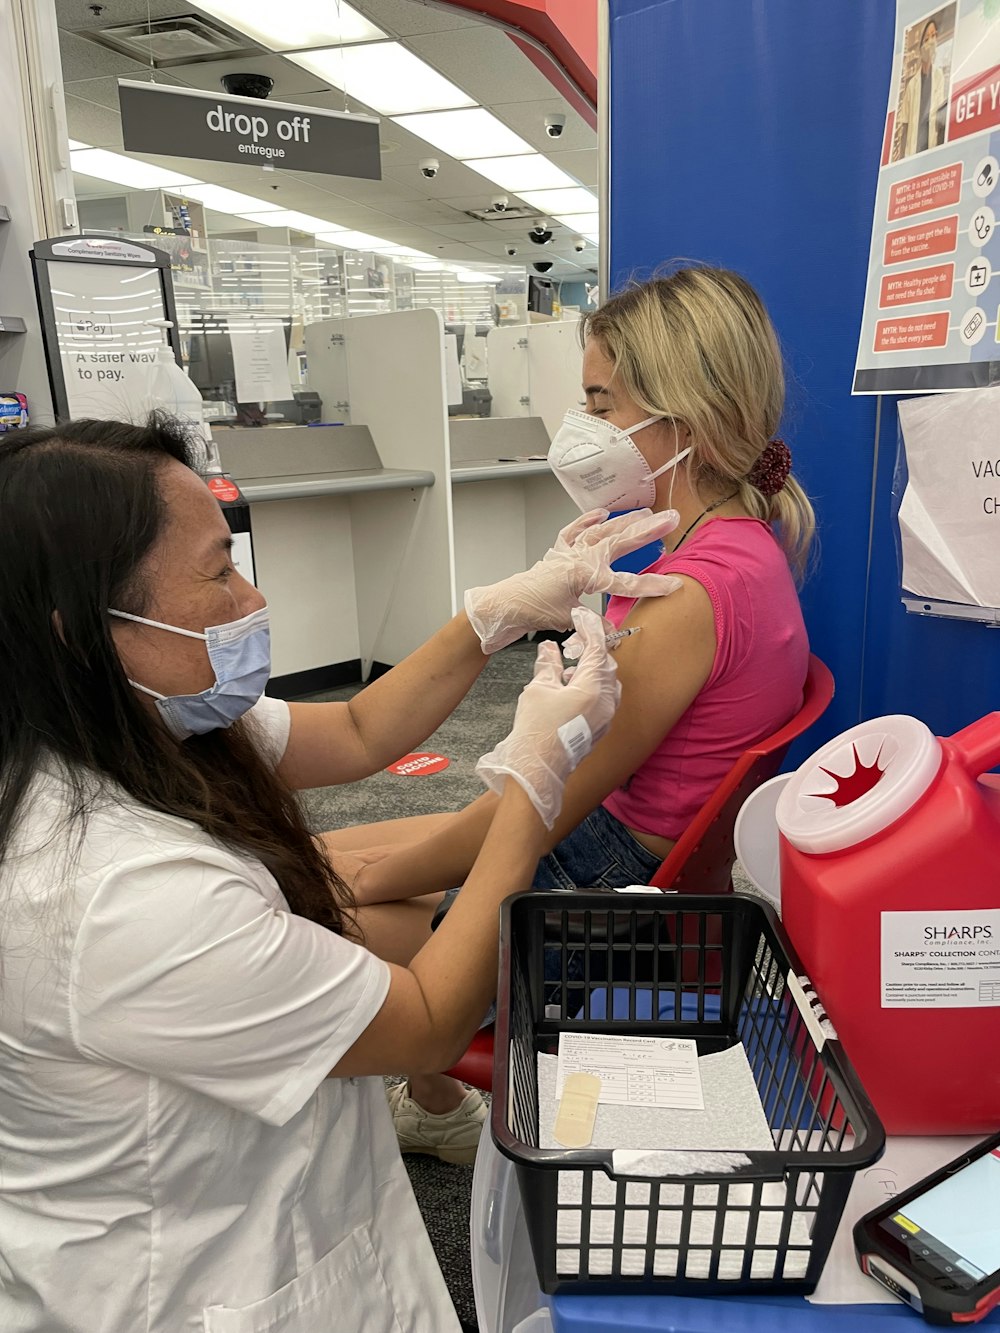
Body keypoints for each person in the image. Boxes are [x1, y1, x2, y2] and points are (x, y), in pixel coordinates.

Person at [0, 416, 678, 1332]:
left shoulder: (136, 721)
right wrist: (531, 783)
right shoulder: (118, 893)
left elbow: (359, 730)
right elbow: (430, 1023)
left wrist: (502, 610)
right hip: (189, 1281)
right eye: (217, 572)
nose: (252, 597)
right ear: (79, 629)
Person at [323, 265, 816, 1160]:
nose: (581, 430)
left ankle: (434, 1107)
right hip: (607, 843)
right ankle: (434, 1106)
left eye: (601, 401)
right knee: (318, 856)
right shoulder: (736, 547)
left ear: (687, 422)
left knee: (310, 904)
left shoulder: (687, 594)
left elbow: (541, 800)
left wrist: (367, 881)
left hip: (602, 894)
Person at [897, 19, 947, 159]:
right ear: (920, 47)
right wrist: (900, 160)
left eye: (934, 36)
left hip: (931, 149)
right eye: (926, 38)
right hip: (912, 151)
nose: (931, 42)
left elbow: (941, 117)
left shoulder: (939, 77)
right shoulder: (912, 84)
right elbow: (905, 124)